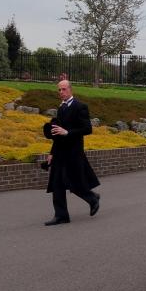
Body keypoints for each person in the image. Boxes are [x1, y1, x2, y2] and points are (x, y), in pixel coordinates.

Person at [43, 80, 100, 226]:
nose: (61, 92)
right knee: (57, 184)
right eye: (59, 90)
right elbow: (57, 133)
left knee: (74, 183)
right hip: (60, 152)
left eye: (63, 89)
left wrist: (67, 132)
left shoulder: (80, 107)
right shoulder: (61, 108)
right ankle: (61, 216)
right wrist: (52, 153)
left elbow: (87, 129)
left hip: (73, 153)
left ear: (70, 90)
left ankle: (92, 198)